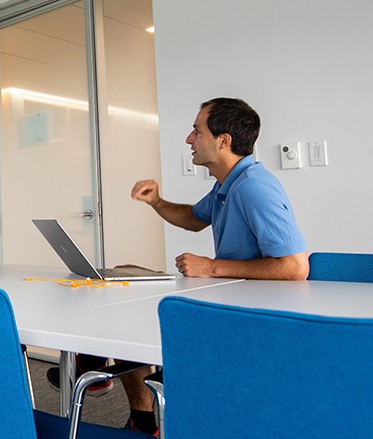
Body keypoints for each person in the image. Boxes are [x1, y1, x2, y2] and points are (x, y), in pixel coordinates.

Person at [117, 97, 308, 435]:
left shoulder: (253, 188)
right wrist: (156, 201)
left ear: (223, 141)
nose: (189, 139)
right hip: (228, 302)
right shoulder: (229, 183)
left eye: (196, 131)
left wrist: (212, 267)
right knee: (124, 272)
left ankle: (102, 377)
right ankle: (140, 416)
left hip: (249, 321)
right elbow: (193, 218)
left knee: (137, 311)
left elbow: (294, 268)